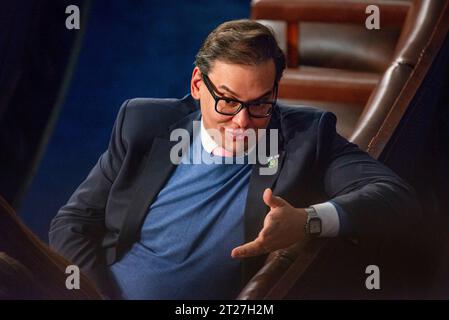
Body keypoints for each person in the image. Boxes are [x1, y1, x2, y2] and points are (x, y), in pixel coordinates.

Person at [49, 19, 420, 299]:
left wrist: (307, 221)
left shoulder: (308, 136)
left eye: (260, 103)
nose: (242, 121)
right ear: (197, 85)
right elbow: (73, 222)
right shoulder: (142, 122)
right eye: (227, 101)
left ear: (276, 91)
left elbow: (395, 198)